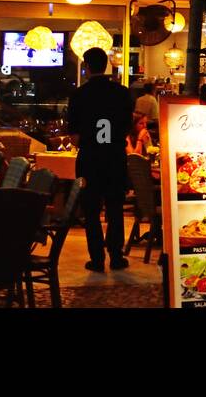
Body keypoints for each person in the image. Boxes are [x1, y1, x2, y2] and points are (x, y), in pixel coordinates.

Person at [68, 47, 134, 272]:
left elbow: (75, 138)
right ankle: (116, 256)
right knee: (115, 207)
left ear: (87, 66)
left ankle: (96, 259)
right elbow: (127, 129)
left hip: (90, 160)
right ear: (106, 64)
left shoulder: (79, 95)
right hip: (115, 158)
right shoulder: (123, 93)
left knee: (91, 209)